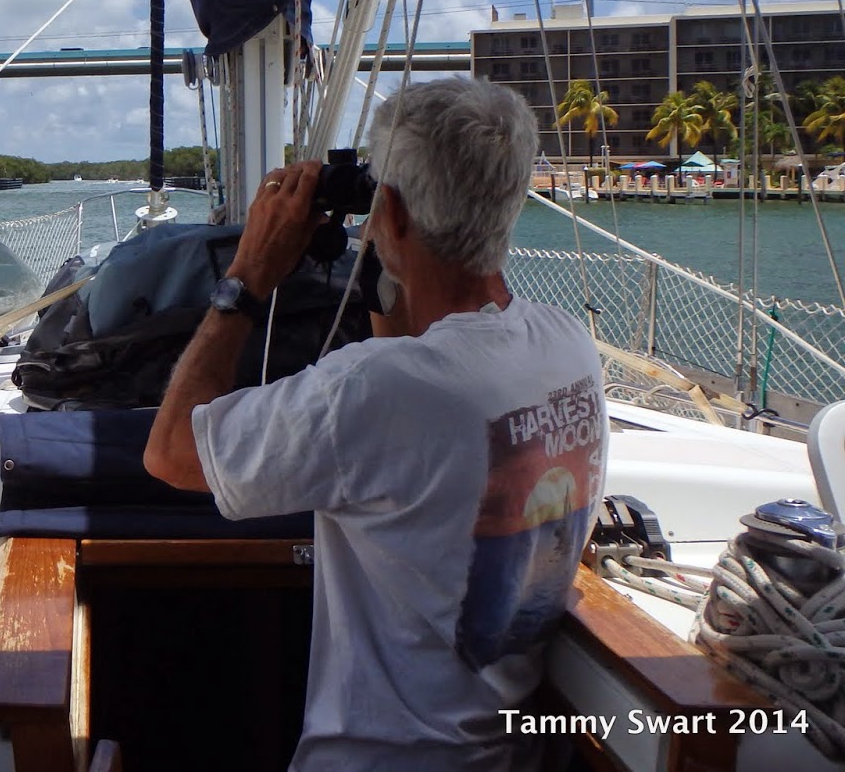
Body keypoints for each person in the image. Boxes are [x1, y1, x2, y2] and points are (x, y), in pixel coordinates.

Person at [144, 76, 606, 771]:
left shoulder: (372, 391)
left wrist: (245, 279)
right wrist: (379, 266)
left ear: (386, 210)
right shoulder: (567, 345)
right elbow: (424, 373)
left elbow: (172, 452)